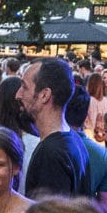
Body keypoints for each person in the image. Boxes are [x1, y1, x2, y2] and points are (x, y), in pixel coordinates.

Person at [21, 59, 91, 199]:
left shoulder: (51, 153)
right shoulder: (73, 139)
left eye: (24, 87)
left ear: (44, 95)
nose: (18, 94)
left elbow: (50, 212)